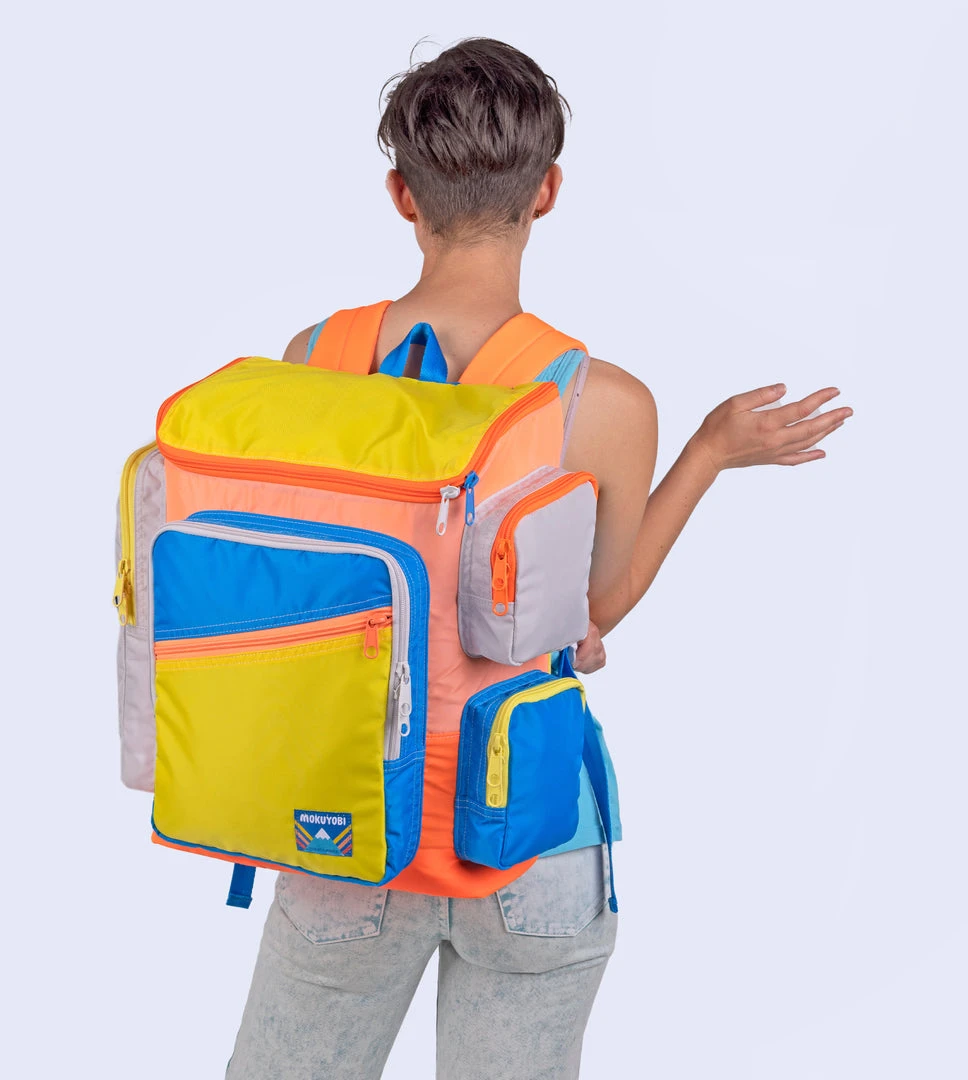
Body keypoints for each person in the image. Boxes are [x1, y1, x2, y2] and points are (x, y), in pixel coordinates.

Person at [224, 37, 852, 1080]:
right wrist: (709, 451)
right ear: (548, 191)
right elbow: (602, 604)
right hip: (530, 823)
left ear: (401, 195)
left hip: (348, 821)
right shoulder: (602, 403)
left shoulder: (312, 361)